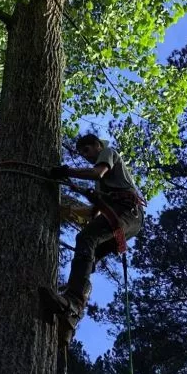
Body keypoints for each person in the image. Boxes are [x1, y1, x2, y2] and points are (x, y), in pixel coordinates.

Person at [43, 134, 144, 343]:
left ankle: (72, 300)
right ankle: (71, 318)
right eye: (82, 154)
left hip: (127, 212)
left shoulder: (109, 152)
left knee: (85, 239)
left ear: (98, 145)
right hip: (125, 218)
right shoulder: (103, 188)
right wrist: (66, 210)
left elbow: (96, 173)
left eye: (87, 151)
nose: (86, 156)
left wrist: (66, 171)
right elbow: (93, 214)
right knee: (91, 257)